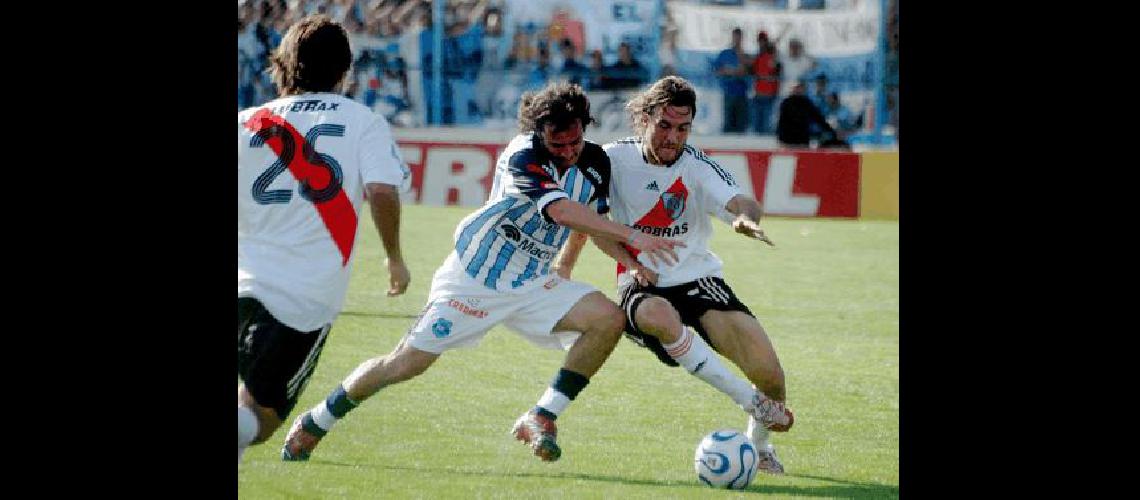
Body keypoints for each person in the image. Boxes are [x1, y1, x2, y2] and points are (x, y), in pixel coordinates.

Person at [281, 82, 685, 463]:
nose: (567, 152)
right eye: (557, 144)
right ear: (539, 135)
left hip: (531, 280)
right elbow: (561, 211)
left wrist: (589, 265)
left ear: (585, 128)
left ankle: (542, 415)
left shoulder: (596, 162)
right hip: (475, 277)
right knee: (406, 363)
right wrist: (634, 236)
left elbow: (590, 221)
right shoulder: (521, 154)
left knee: (607, 320)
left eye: (574, 142)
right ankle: (318, 420)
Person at [554, 76, 795, 474]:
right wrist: (573, 265)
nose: (672, 137)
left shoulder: (698, 167)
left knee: (770, 375)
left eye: (682, 128)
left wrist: (744, 221)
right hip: (641, 280)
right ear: (644, 119)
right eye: (664, 125)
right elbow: (590, 221)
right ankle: (740, 396)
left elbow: (742, 201)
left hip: (699, 281)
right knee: (656, 315)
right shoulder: (612, 159)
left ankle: (759, 448)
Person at [238, 14, 411, 465]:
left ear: (283, 64)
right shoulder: (363, 122)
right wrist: (394, 256)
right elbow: (382, 190)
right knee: (261, 419)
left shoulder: (247, 122)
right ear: (345, 69)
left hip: (241, 282)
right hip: (300, 300)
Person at [776, 79, 838, 148]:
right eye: (798, 87)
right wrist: (780, 137)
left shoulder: (807, 103)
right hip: (787, 141)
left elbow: (819, 119)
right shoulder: (786, 103)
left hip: (802, 141)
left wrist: (832, 131)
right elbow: (781, 122)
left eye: (802, 87)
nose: (800, 89)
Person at [713, 28, 750, 133]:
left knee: (741, 124)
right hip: (728, 92)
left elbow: (747, 71)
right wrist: (729, 71)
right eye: (735, 37)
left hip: (742, 93)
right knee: (728, 122)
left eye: (739, 37)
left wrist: (737, 68)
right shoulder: (725, 53)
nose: (737, 39)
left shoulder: (745, 55)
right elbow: (717, 70)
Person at [750, 31, 780, 134]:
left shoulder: (773, 57)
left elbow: (776, 74)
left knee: (767, 123)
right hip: (758, 94)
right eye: (760, 41)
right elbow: (753, 71)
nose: (761, 43)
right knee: (756, 123)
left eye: (763, 41)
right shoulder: (758, 57)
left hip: (769, 95)